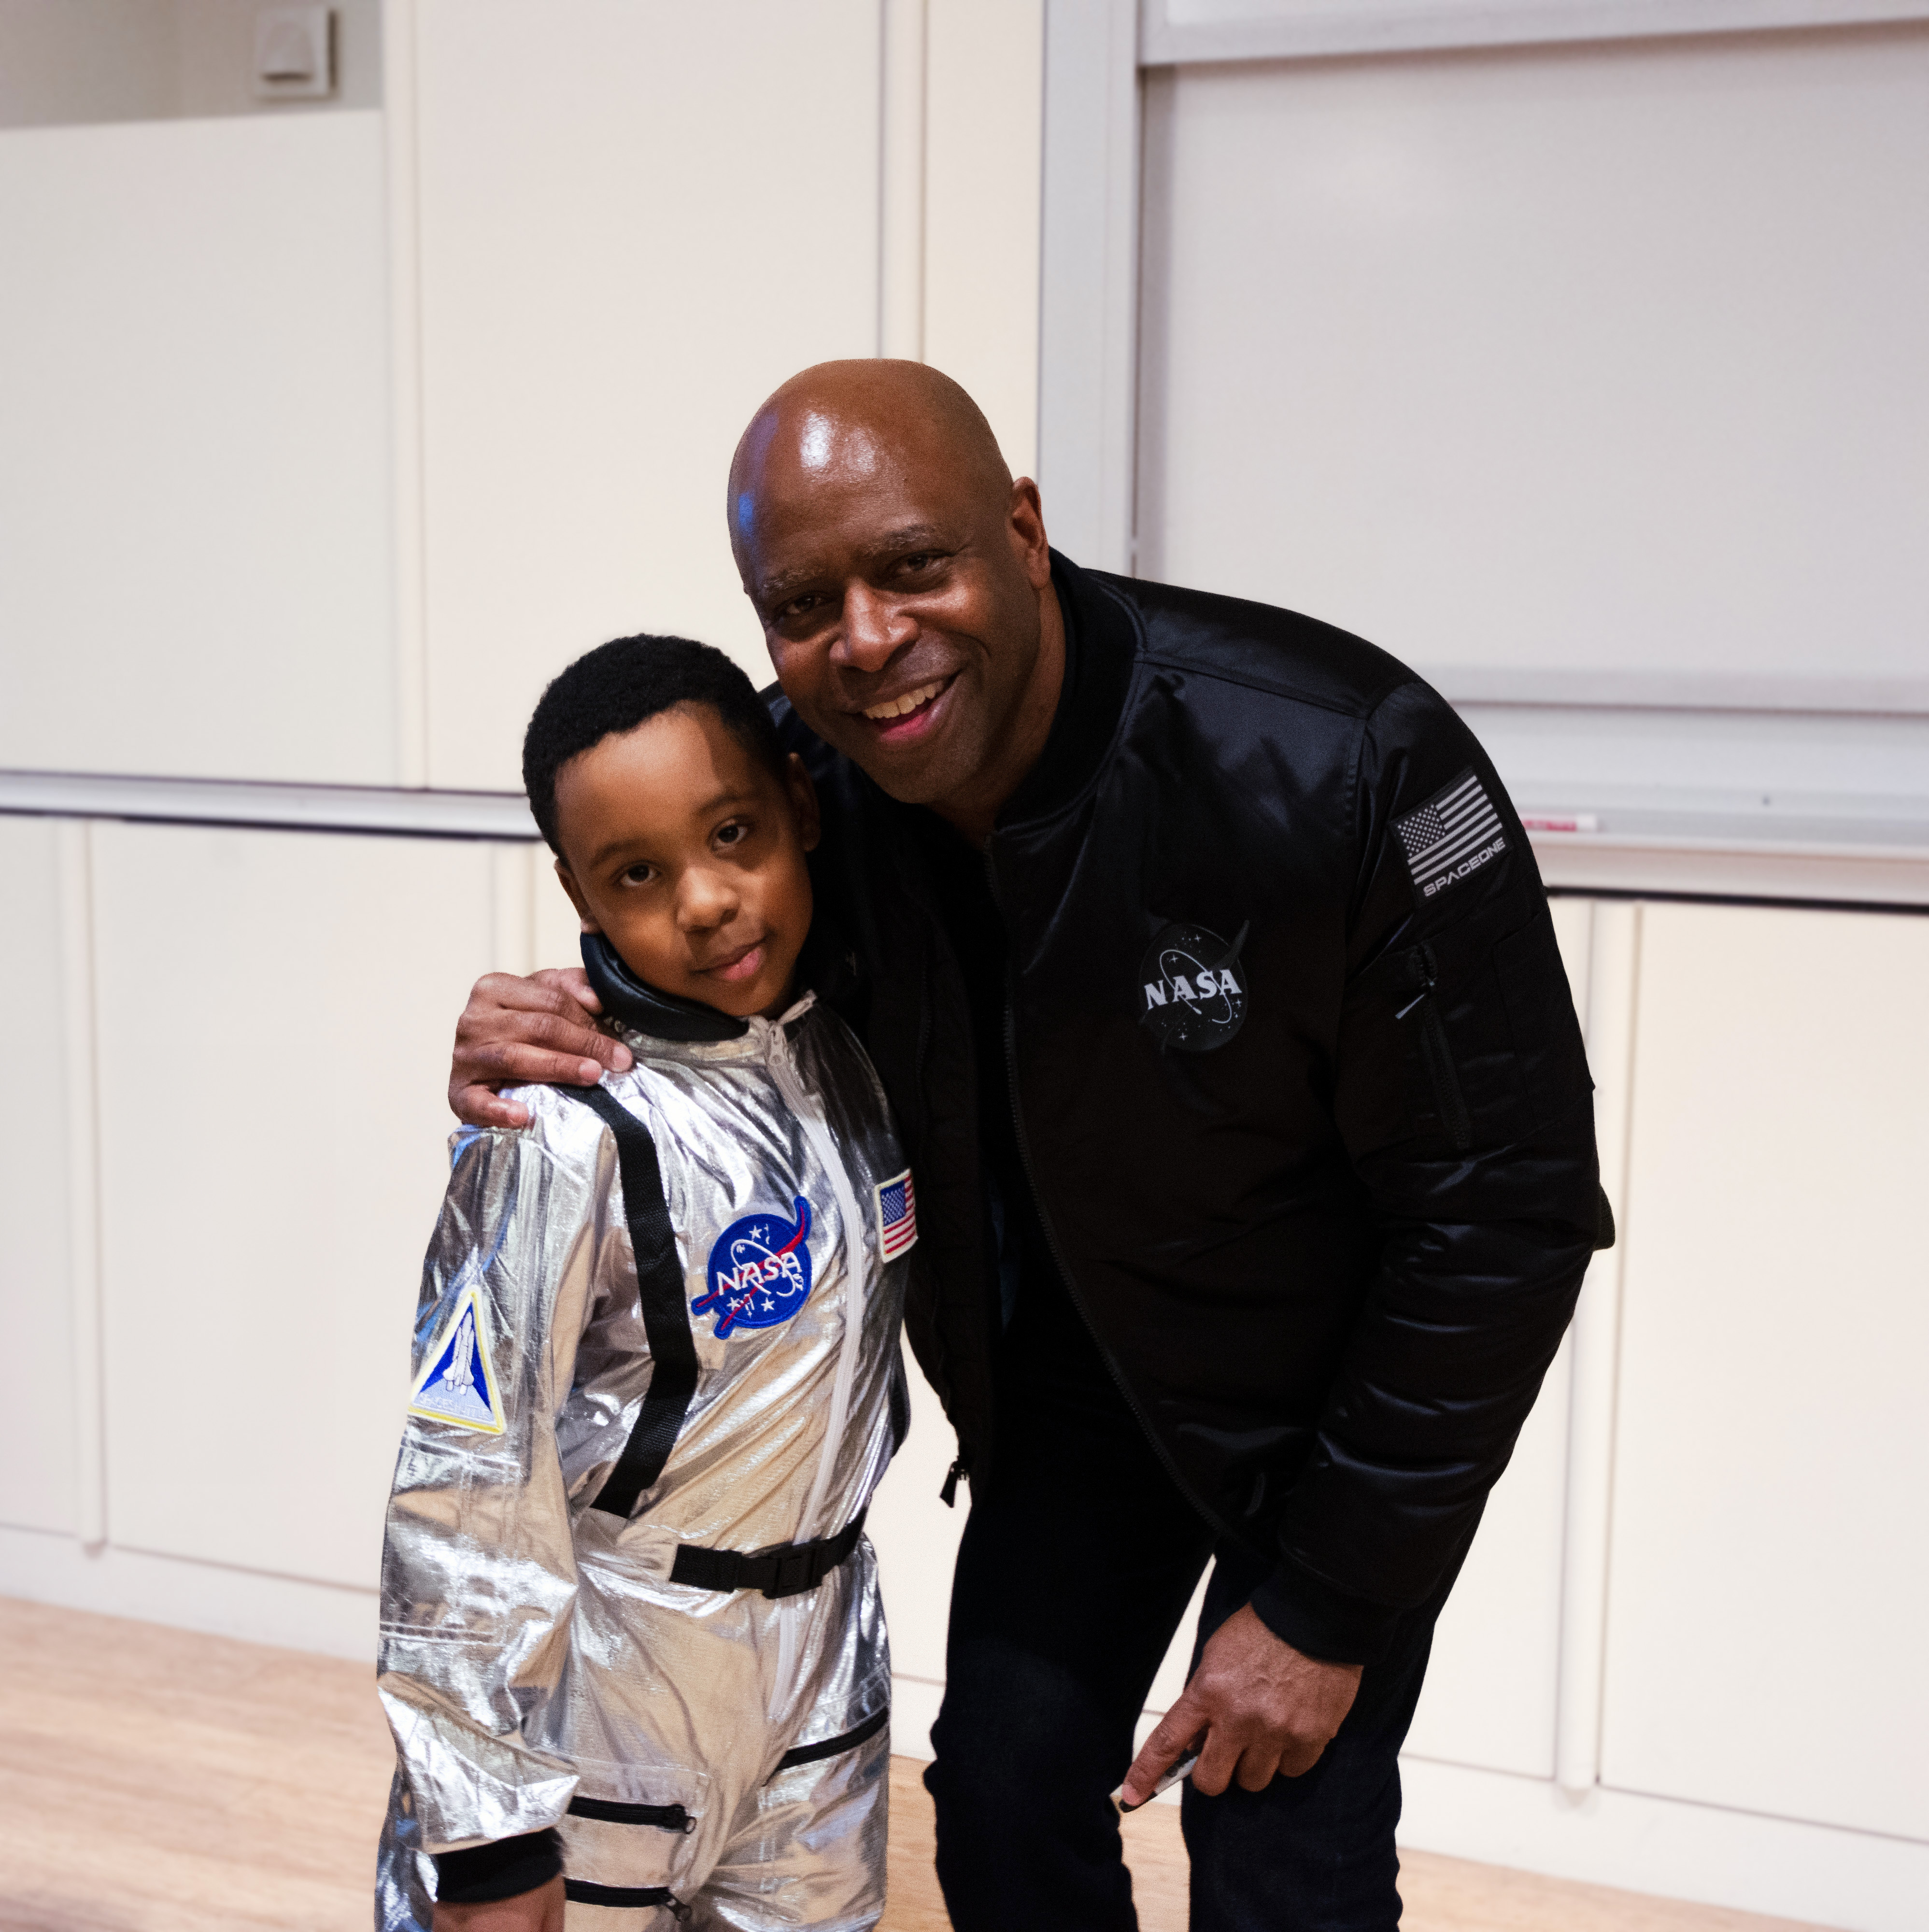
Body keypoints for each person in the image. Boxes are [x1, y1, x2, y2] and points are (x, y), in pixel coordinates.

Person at [446, 362, 1606, 1931]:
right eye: (803, 602)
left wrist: (1326, 1605)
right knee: (1001, 1793)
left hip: (1340, 1398)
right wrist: (555, 1012)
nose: (866, 639)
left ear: (1023, 529)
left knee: (1281, 1852)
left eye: (913, 566)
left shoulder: (1345, 758)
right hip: (1078, 1390)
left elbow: (1506, 1208)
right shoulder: (812, 777)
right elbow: (702, 931)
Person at [377, 636, 915, 1932]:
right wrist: (486, 1833)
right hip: (608, 1701)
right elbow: (464, 1485)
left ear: (799, 802)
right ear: (577, 894)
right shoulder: (558, 1127)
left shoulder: (863, 1049)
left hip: (820, 1690)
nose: (707, 900)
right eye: (638, 873)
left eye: (733, 833)